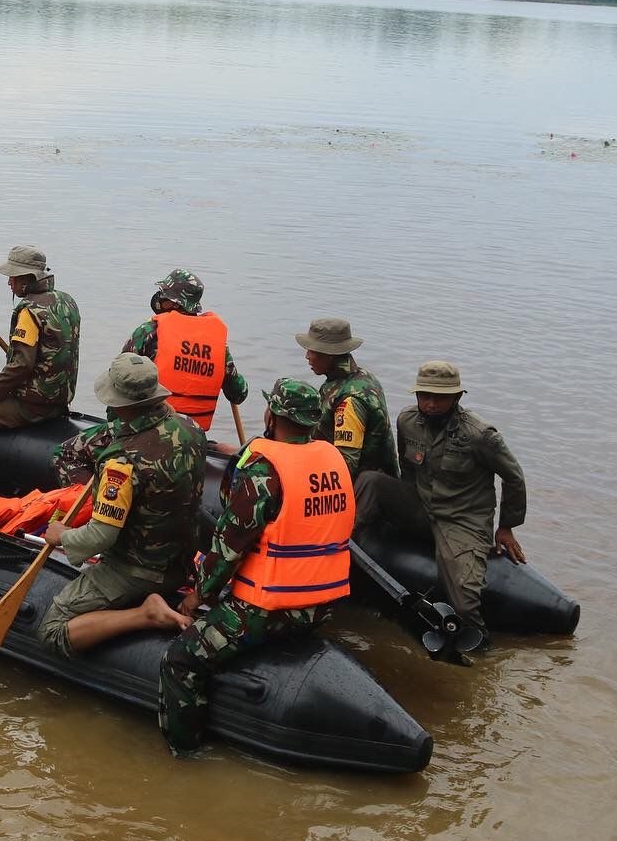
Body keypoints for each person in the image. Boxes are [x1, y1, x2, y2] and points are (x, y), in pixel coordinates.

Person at [158, 378, 355, 755]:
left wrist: (198, 597)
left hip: (269, 608)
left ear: (273, 414)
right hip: (324, 604)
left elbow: (229, 545)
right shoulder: (334, 460)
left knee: (180, 660)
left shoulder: (263, 467)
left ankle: (184, 756)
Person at [38, 353, 206, 657]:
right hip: (180, 564)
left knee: (52, 631)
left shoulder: (122, 462)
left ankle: (145, 614)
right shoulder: (191, 429)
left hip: (137, 570)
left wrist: (61, 535)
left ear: (119, 403)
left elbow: (100, 537)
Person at [352, 361, 527, 647]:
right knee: (371, 481)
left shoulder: (480, 434)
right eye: (425, 396)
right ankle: (343, 546)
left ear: (456, 398)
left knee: (465, 602)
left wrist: (507, 526)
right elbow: (407, 470)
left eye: (440, 398)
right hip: (421, 505)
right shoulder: (407, 421)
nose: (431, 404)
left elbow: (514, 477)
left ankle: (478, 647)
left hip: (460, 520)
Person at [122, 268, 248, 430]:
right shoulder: (217, 343)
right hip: (193, 436)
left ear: (173, 302)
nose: (159, 297)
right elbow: (238, 394)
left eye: (163, 293)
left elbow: (118, 376)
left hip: (150, 429)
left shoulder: (150, 331)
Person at [0, 245, 81, 429]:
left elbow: (21, 366)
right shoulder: (68, 301)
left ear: (27, 279)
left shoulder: (30, 311)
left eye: (12, 277)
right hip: (59, 403)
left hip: (32, 407)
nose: (9, 283)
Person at [297, 317, 398, 478]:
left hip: (359, 488)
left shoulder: (349, 400)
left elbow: (346, 464)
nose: (307, 356)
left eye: (312, 351)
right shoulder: (359, 377)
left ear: (329, 355)